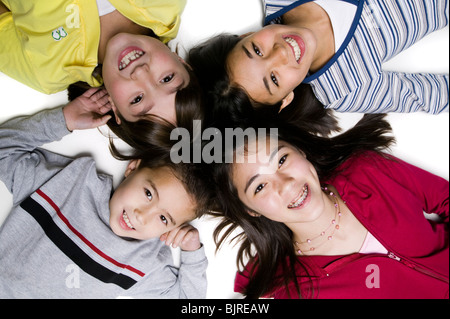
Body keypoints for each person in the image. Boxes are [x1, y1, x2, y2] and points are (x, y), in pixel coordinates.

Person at [0, 90, 213, 298]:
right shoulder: (71, 183)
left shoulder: (144, 263)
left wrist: (192, 250)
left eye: (163, 218)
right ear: (133, 168)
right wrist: (64, 120)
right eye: (148, 193)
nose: (142, 215)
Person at [210, 114, 449, 298]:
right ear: (250, 211)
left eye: (282, 159)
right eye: (260, 187)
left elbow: (444, 197)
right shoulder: (294, 291)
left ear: (300, 152)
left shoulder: (366, 170)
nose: (286, 184)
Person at [188, 0, 449, 134]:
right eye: (274, 79)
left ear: (245, 36)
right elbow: (433, 95)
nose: (281, 53)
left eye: (256, 50)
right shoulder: (346, 87)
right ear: (285, 100)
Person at [0, 0, 193, 126]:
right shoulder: (167, 4)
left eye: (137, 99)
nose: (141, 73)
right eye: (167, 79)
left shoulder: (47, 70)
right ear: (182, 63)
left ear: (115, 107)